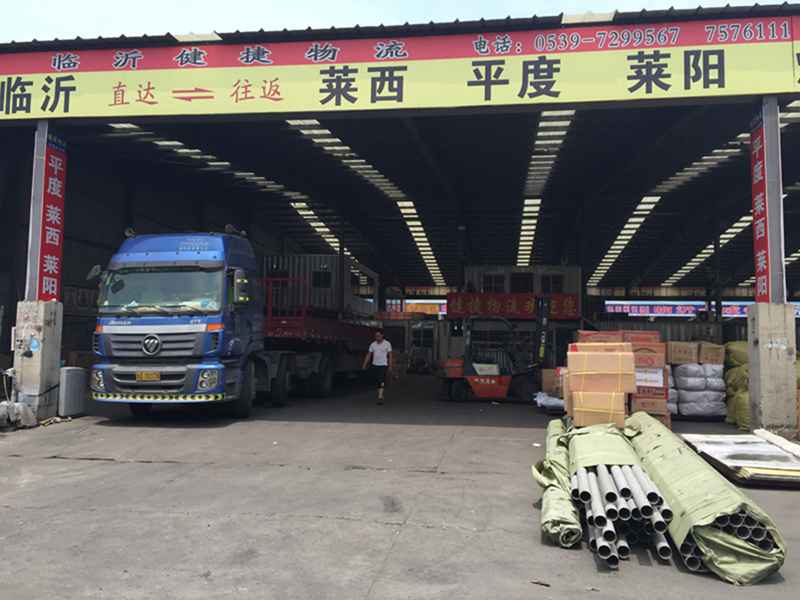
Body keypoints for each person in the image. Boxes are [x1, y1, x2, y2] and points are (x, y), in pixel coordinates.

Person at [362, 329, 393, 403]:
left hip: (383, 365)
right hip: (375, 365)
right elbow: (369, 355)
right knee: (376, 380)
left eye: (378, 335)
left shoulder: (387, 344)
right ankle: (380, 392)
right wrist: (364, 364)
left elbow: (390, 355)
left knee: (381, 380)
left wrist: (390, 366)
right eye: (376, 336)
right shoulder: (373, 344)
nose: (377, 337)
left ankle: (380, 396)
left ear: (382, 335)